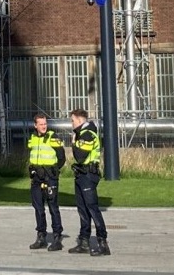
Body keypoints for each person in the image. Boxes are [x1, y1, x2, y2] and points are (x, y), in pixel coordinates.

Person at [67, 108, 110, 256]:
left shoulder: (88, 134)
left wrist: (73, 142)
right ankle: (84, 242)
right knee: (82, 209)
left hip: (88, 175)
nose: (71, 124)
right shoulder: (82, 134)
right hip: (80, 174)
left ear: (79, 120)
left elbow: (79, 156)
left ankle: (103, 242)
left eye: (72, 120)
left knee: (92, 208)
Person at [27, 112, 65, 251]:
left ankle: (57, 237)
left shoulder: (53, 137)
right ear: (35, 125)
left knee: (53, 207)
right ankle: (41, 236)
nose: (44, 126)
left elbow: (61, 157)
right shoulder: (32, 138)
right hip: (36, 177)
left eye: (45, 124)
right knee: (38, 208)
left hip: (50, 177)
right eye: (41, 124)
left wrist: (53, 171)